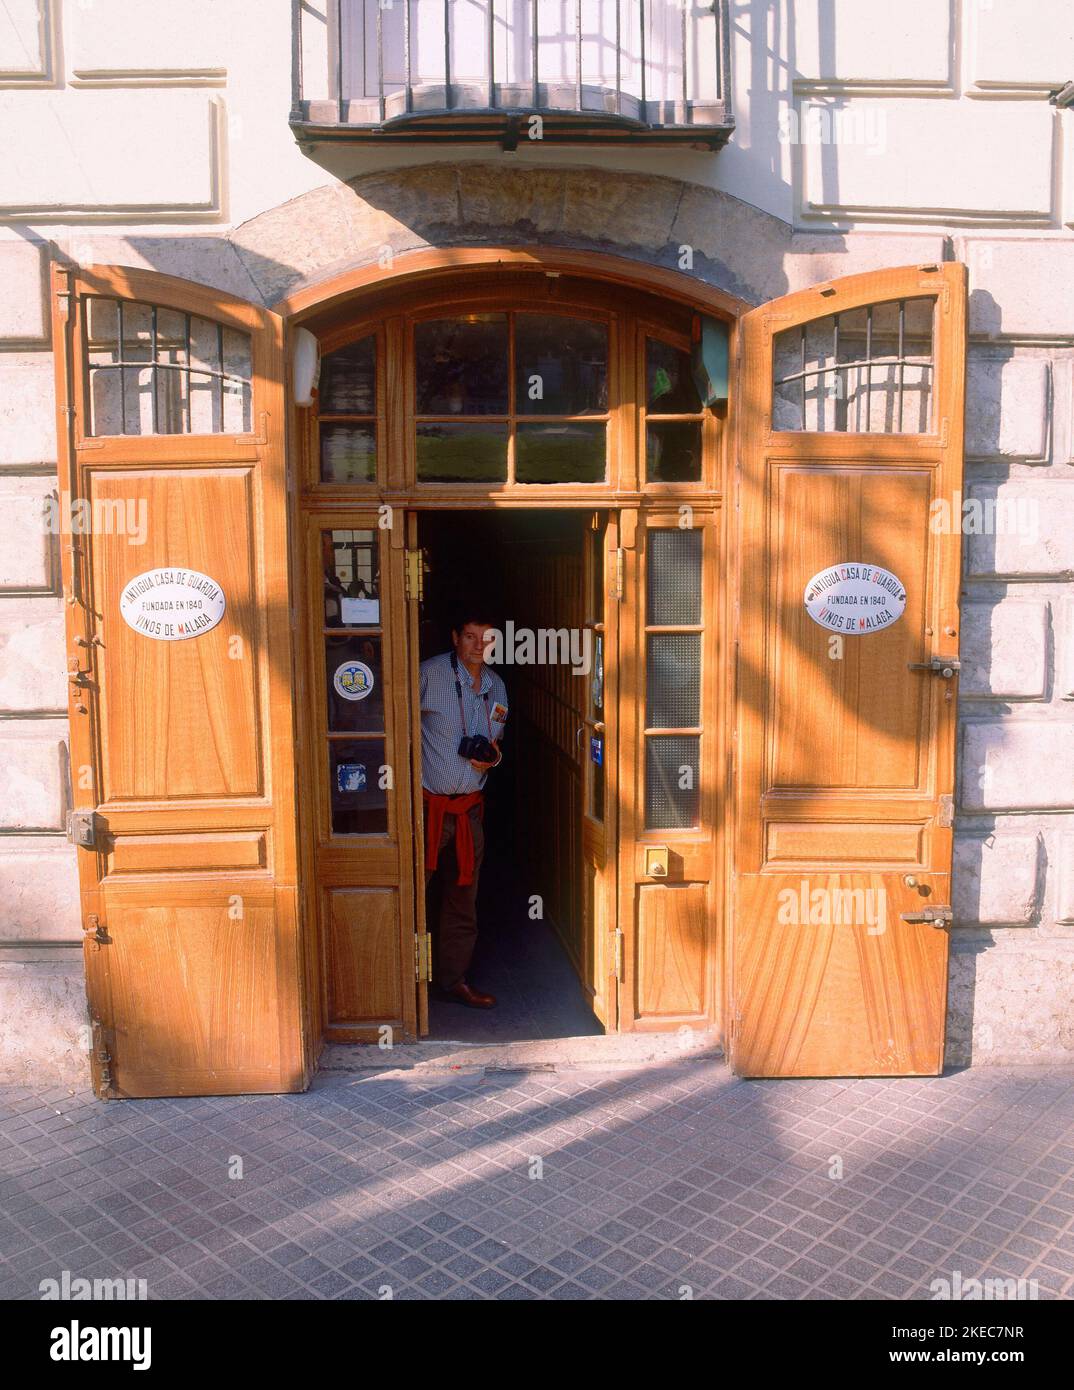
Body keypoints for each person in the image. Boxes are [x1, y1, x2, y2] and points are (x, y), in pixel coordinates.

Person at [419, 610, 508, 1008]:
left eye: (487, 638)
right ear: (455, 637)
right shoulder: (428, 674)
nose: (479, 646)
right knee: (412, 895)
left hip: (468, 810)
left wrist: (490, 759)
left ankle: (454, 980)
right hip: (425, 809)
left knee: (462, 900)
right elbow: (394, 725)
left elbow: (496, 740)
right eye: (471, 637)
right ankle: (401, 984)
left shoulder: (497, 686)